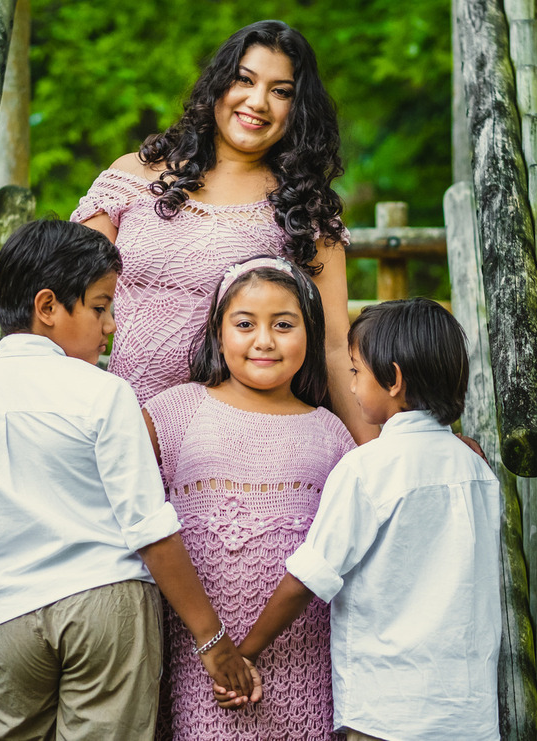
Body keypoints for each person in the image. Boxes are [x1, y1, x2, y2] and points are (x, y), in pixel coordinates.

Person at [0, 220, 255, 740]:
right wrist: (212, 639)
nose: (110, 325)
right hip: (106, 606)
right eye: (99, 307)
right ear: (48, 307)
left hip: (9, 617)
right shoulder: (106, 394)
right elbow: (149, 528)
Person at [0, 20, 373, 443]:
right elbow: (59, 291)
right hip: (108, 422)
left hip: (229, 441)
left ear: (298, 108)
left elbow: (334, 347)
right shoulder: (132, 177)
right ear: (219, 85)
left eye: (281, 91)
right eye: (244, 79)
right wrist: (12, 365)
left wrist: (375, 456)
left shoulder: (305, 211)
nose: (258, 101)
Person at [232, 298, 503, 741]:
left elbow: (309, 577)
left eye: (356, 371)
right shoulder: (477, 470)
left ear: (392, 379)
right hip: (466, 712)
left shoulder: (367, 469)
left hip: (387, 712)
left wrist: (246, 652)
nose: (352, 387)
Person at [142, 255, 357, 740]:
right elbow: (94, 453)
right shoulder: (175, 411)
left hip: (303, 659)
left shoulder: (330, 433)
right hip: (200, 660)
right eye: (245, 324)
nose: (264, 340)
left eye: (284, 324)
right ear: (219, 333)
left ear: (311, 333)